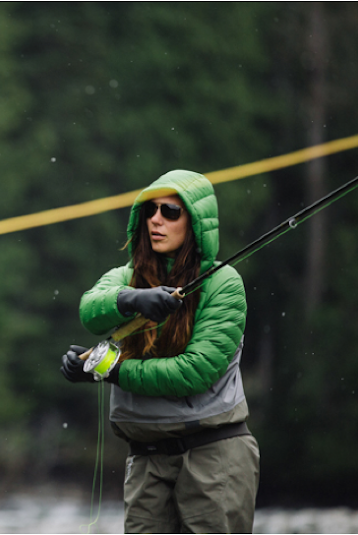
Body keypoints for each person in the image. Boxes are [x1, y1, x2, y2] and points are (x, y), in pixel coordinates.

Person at [61, 169, 260, 533]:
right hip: (145, 459)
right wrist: (132, 299)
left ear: (196, 224)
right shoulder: (126, 277)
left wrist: (112, 371)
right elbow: (90, 311)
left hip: (214, 457)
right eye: (149, 211)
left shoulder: (223, 283)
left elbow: (194, 372)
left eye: (170, 212)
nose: (155, 219)